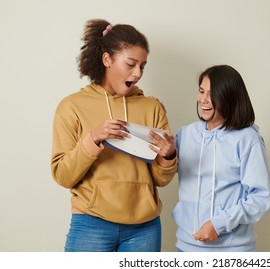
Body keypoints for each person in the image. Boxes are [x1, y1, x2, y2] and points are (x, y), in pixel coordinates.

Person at [51, 19, 177, 252]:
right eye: (130, 64)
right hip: (91, 223)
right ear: (107, 59)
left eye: (142, 66)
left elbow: (161, 180)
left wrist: (168, 157)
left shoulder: (151, 107)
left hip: (144, 228)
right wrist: (93, 139)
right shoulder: (71, 106)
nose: (138, 73)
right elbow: (63, 176)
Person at [172, 65, 270, 252]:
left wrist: (219, 224)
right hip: (185, 248)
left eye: (212, 94)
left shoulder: (247, 139)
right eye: (201, 91)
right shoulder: (186, 134)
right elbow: (160, 169)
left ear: (229, 97)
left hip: (231, 251)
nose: (203, 100)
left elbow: (260, 198)